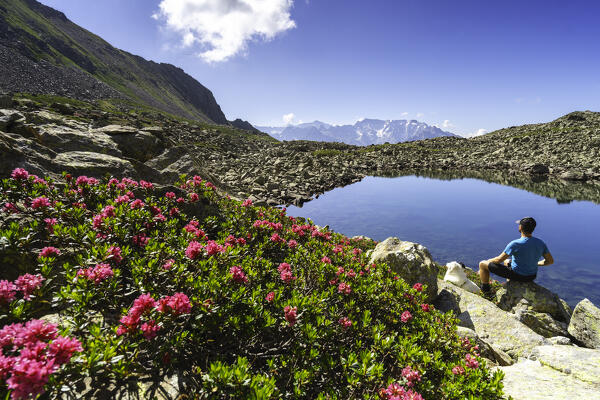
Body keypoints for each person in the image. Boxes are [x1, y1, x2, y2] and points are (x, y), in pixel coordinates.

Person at [478, 217, 554, 298]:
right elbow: (550, 261)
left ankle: (485, 291)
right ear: (533, 228)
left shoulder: (515, 244)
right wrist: (536, 263)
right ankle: (510, 284)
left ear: (520, 227)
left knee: (482, 264)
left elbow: (499, 260)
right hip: (532, 276)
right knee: (507, 261)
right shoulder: (540, 243)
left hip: (518, 275)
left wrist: (489, 261)